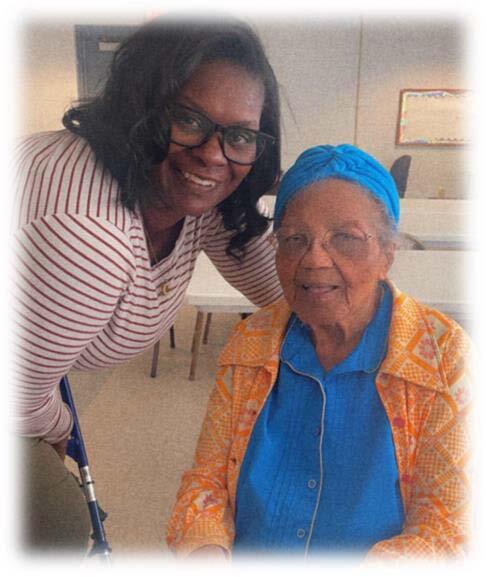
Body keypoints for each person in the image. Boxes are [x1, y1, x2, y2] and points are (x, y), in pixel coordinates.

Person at [13, 16, 283, 552]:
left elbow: (281, 283)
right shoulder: (92, 238)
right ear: (140, 107)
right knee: (58, 527)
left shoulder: (190, 188)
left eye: (240, 135)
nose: (213, 154)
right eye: (187, 118)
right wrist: (60, 421)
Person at [166, 144, 472, 560]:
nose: (313, 260)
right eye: (294, 238)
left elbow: (448, 531)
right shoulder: (251, 341)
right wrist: (205, 550)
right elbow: (208, 482)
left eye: (345, 238)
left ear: (387, 252)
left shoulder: (443, 355)